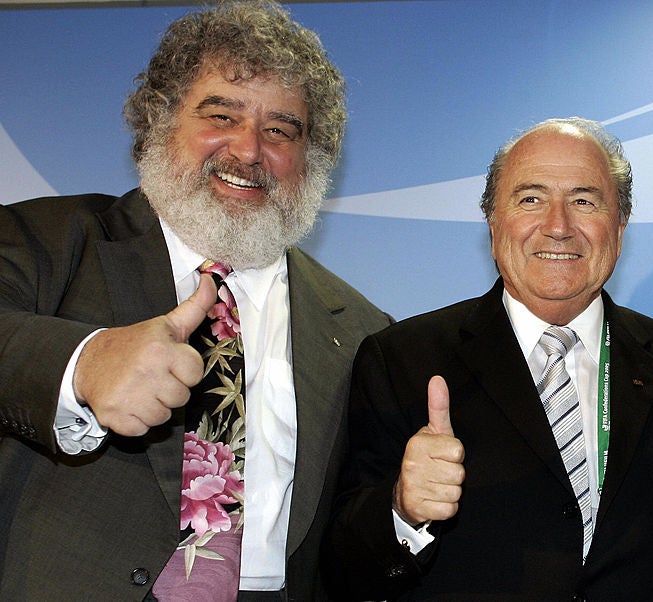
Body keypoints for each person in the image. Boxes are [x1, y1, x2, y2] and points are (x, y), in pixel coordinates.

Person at [0, 2, 390, 599]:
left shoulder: (364, 331)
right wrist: (82, 363)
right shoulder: (47, 239)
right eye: (221, 115)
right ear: (158, 121)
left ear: (313, 159)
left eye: (281, 130)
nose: (248, 150)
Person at [321, 117, 653, 600]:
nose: (558, 226)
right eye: (531, 199)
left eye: (584, 201)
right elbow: (340, 567)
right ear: (492, 220)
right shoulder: (402, 359)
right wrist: (401, 510)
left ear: (621, 223)